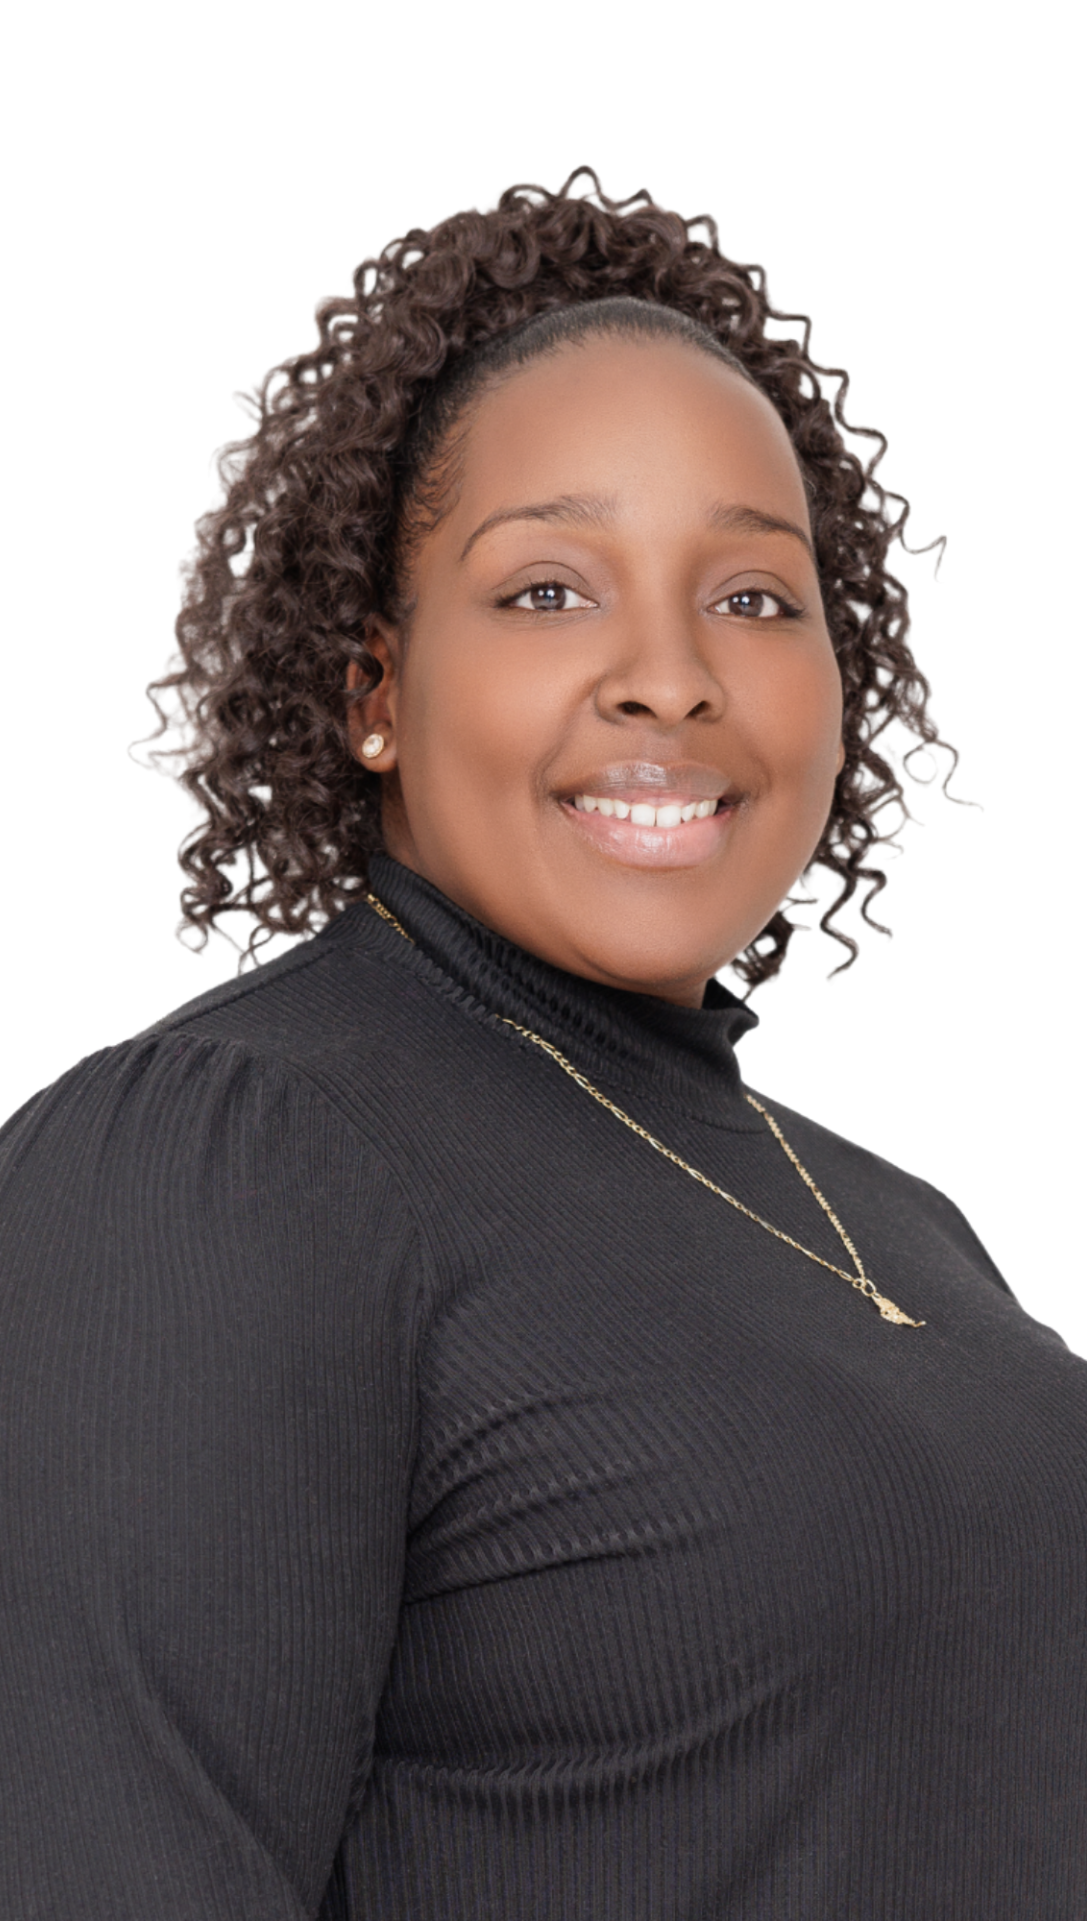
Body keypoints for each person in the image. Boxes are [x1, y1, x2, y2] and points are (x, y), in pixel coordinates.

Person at [3, 168, 1084, 1920]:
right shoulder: (231, 1158)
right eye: (546, 592)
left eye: (752, 597)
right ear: (370, 686)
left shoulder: (889, 1214)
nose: (669, 676)